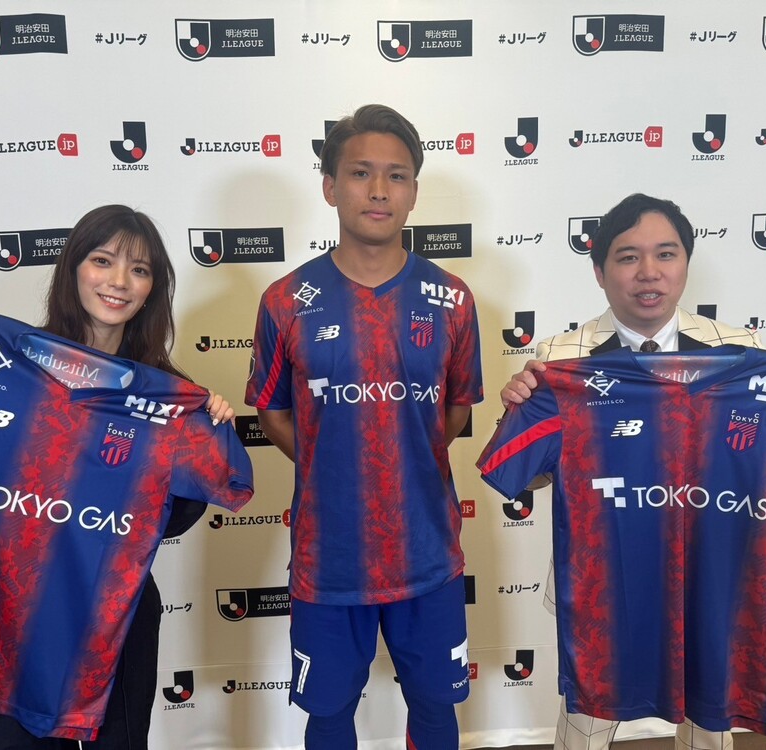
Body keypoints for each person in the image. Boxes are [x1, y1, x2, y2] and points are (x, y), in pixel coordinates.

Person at [0, 205, 243, 749]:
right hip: (10, 621)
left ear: (153, 289)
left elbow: (171, 520)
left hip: (115, 623)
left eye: (139, 269)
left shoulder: (164, 396)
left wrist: (205, 431)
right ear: (73, 269)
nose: (119, 281)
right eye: (102, 260)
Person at [499, 193, 766, 750]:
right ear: (599, 271)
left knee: (709, 720)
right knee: (587, 719)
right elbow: (531, 477)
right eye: (628, 257)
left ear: (686, 263)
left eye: (666, 254)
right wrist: (518, 411)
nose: (649, 272)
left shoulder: (741, 349)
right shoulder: (560, 359)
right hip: (605, 576)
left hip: (710, 566)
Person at [245, 104, 483, 749]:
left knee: (435, 707)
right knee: (327, 716)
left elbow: (456, 411)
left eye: (396, 176)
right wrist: (328, 457)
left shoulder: (453, 299)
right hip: (329, 558)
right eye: (360, 173)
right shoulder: (284, 301)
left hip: (428, 553)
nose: (379, 190)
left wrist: (407, 453)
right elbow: (272, 411)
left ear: (413, 192)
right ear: (330, 187)